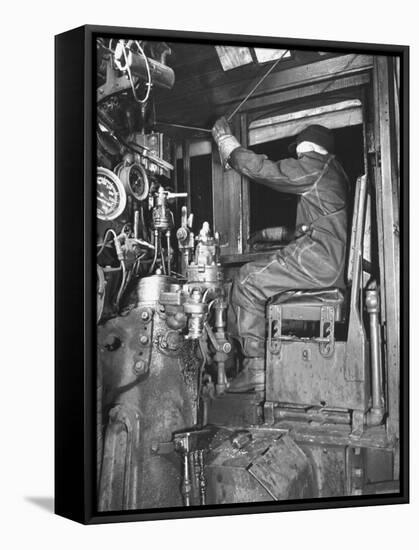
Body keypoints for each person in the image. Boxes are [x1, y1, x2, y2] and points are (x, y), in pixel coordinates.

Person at [212, 118, 350, 392]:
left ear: (311, 148)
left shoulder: (317, 167)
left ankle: (257, 368)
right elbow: (303, 227)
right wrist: (266, 235)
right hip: (327, 259)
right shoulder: (333, 174)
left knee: (247, 280)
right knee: (257, 278)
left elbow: (267, 170)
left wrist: (228, 145)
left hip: (319, 259)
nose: (298, 155)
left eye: (301, 150)